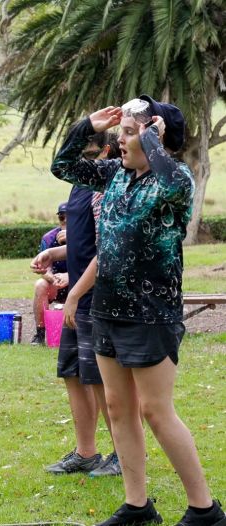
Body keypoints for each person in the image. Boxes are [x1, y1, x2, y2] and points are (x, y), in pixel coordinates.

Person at [51, 96, 224, 526]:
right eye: (122, 132)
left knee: (155, 410)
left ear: (156, 135)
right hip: (108, 308)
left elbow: (168, 173)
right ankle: (137, 505)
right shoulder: (114, 175)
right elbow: (63, 166)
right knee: (117, 407)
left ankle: (205, 510)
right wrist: (86, 127)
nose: (120, 141)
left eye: (130, 133)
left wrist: (150, 134)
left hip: (152, 312)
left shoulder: (175, 179)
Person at [33, 131, 123, 477]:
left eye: (88, 150)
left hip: (94, 295)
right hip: (79, 293)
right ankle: (86, 452)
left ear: (106, 150)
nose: (80, 158)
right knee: (74, 372)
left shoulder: (109, 183)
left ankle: (120, 452)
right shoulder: (80, 182)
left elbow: (108, 248)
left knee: (100, 378)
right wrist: (54, 253)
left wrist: (76, 285)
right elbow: (84, 241)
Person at [30, 203, 68, 345]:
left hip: (81, 282)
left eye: (69, 217)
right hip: (56, 283)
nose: (65, 221)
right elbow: (44, 269)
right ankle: (40, 334)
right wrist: (53, 278)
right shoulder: (49, 238)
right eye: (62, 217)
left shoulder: (86, 235)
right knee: (40, 285)